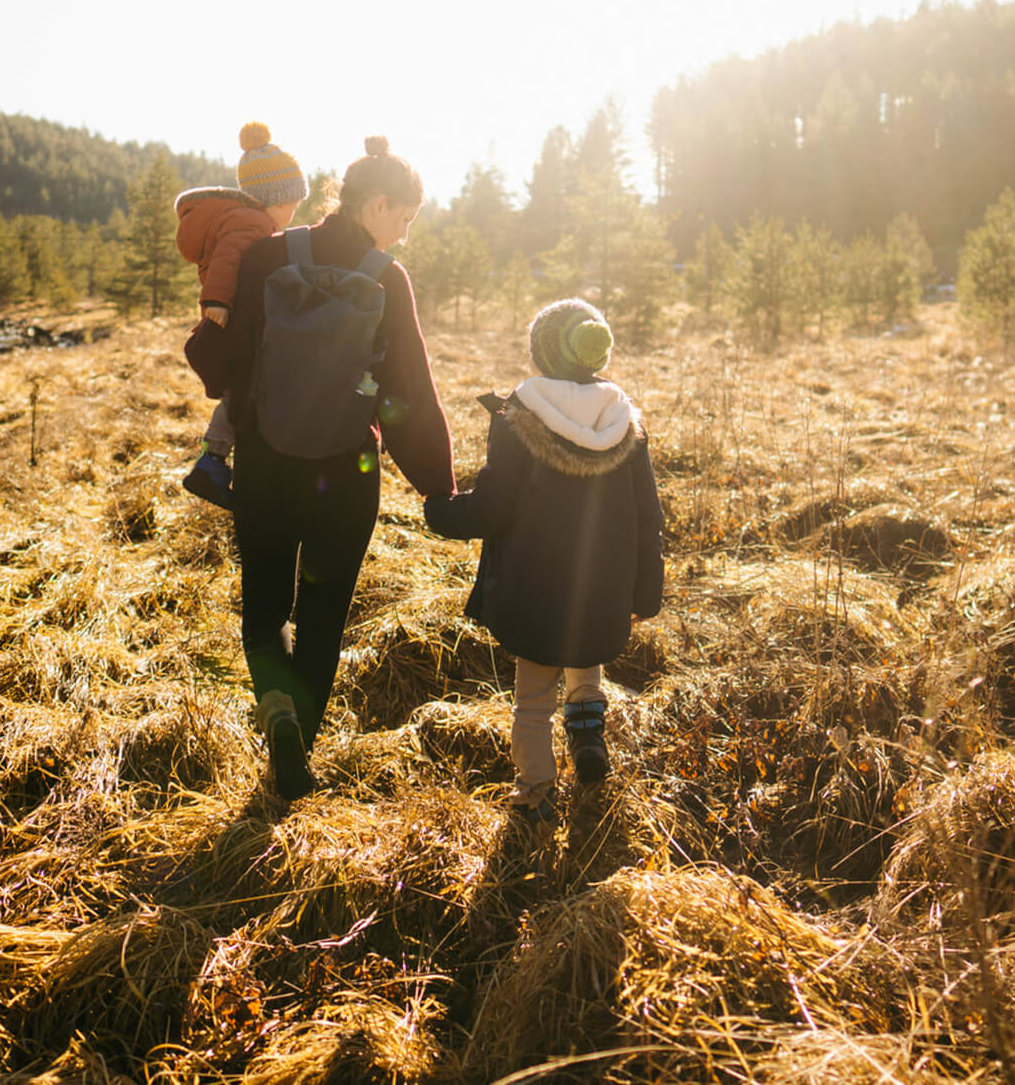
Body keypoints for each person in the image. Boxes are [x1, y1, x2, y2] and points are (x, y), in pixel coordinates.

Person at [201, 135, 455, 799]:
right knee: (322, 620)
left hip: (265, 462)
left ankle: (278, 717)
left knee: (264, 608)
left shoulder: (267, 256)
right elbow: (408, 397)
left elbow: (226, 361)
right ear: (377, 204)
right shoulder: (386, 278)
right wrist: (439, 487)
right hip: (347, 474)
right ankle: (296, 753)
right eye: (404, 218)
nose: (404, 234)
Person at [424, 298, 664, 823]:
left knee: (533, 700)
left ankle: (535, 792)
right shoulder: (622, 420)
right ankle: (587, 737)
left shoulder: (520, 416)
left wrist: (441, 512)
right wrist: (646, 592)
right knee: (585, 653)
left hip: (532, 586)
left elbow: (495, 506)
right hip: (602, 586)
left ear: (542, 353)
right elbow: (649, 515)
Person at [174, 122, 307, 508]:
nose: (294, 211)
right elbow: (229, 259)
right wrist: (217, 301)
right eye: (292, 203)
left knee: (240, 390)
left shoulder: (248, 219)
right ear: (273, 198)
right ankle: (211, 463)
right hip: (229, 318)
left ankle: (212, 462)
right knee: (245, 388)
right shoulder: (251, 222)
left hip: (231, 316)